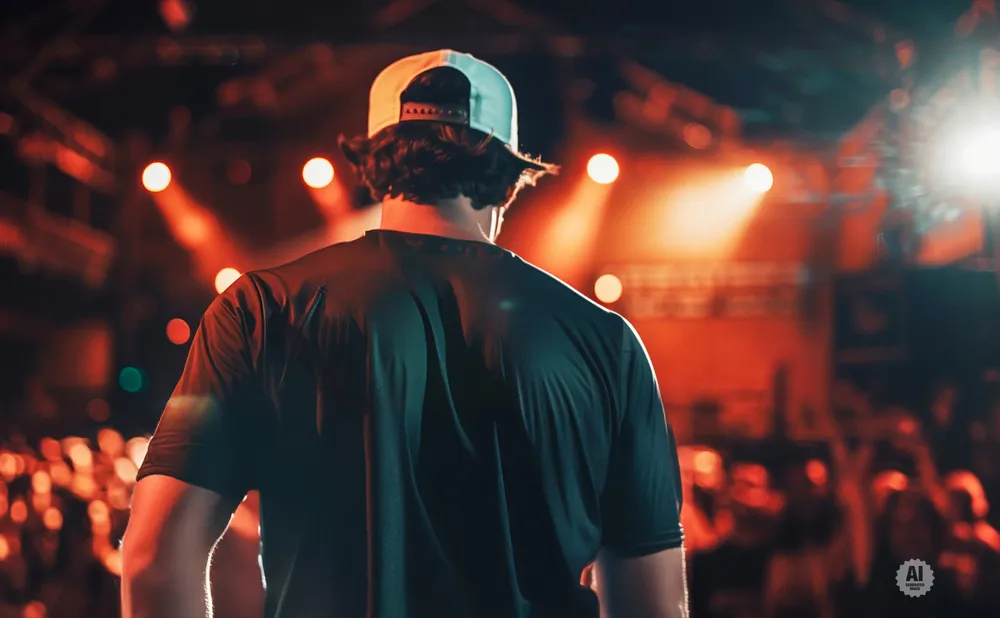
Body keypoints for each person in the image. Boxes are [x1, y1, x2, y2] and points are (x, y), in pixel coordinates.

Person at [120, 49, 687, 618]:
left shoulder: (260, 309)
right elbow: (651, 602)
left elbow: (153, 559)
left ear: (373, 163)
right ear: (508, 177)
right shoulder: (606, 342)